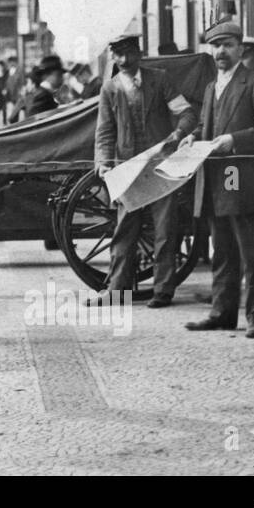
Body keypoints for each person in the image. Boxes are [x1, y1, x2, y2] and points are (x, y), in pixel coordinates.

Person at [183, 21, 254, 338]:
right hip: (215, 181)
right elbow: (205, 127)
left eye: (226, 45)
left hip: (241, 179)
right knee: (221, 249)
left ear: (240, 48)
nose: (220, 51)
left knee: (251, 249)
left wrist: (233, 141)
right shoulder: (212, 87)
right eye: (215, 46)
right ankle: (222, 313)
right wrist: (191, 137)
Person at [93, 34, 196, 307]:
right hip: (128, 170)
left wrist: (178, 133)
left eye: (129, 53)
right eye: (118, 55)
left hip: (161, 168)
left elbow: (187, 113)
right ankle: (116, 289)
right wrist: (103, 161)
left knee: (165, 230)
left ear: (140, 53)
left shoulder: (160, 79)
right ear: (112, 57)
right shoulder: (110, 89)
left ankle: (163, 290)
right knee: (124, 230)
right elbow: (104, 131)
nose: (124, 60)